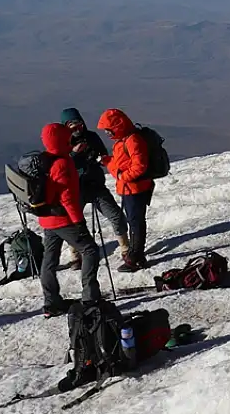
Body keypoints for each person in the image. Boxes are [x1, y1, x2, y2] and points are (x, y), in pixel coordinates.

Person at [36, 123, 102, 317]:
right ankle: (90, 298)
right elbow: (68, 198)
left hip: (47, 218)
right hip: (63, 219)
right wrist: (79, 222)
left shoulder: (44, 159)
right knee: (90, 250)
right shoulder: (63, 163)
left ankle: (51, 303)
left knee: (49, 260)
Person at [60, 108, 130, 270]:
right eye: (72, 126)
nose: (77, 129)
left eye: (79, 125)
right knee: (73, 222)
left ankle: (125, 249)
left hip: (95, 185)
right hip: (76, 188)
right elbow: (61, 165)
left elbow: (104, 155)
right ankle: (76, 255)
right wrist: (74, 154)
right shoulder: (64, 143)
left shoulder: (91, 137)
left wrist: (97, 158)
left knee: (116, 215)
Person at [96, 108, 155, 272]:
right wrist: (108, 161)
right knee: (134, 221)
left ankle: (136, 257)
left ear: (117, 126)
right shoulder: (124, 139)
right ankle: (136, 255)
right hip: (129, 188)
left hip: (135, 189)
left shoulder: (132, 140)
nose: (107, 133)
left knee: (136, 223)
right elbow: (121, 162)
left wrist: (123, 176)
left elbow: (139, 166)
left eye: (109, 129)